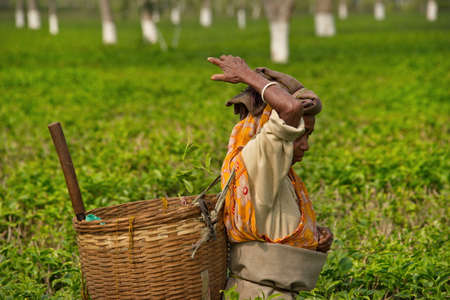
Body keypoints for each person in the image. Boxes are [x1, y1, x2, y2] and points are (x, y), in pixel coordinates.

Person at [208, 55, 333, 299]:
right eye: (299, 134)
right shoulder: (256, 159)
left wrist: (312, 239)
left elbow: (273, 230)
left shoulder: (274, 170)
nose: (306, 145)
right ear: (270, 125)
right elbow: (291, 108)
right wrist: (244, 74)